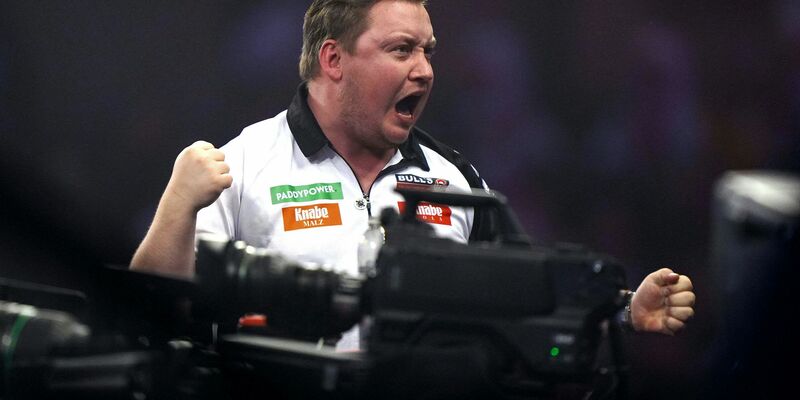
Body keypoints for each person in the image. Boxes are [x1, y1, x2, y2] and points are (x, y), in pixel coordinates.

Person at [130, 0, 695, 342]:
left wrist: (623, 309)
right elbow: (150, 313)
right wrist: (176, 206)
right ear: (333, 60)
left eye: (428, 50)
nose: (425, 70)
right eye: (402, 50)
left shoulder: (456, 180)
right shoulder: (244, 163)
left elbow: (528, 290)